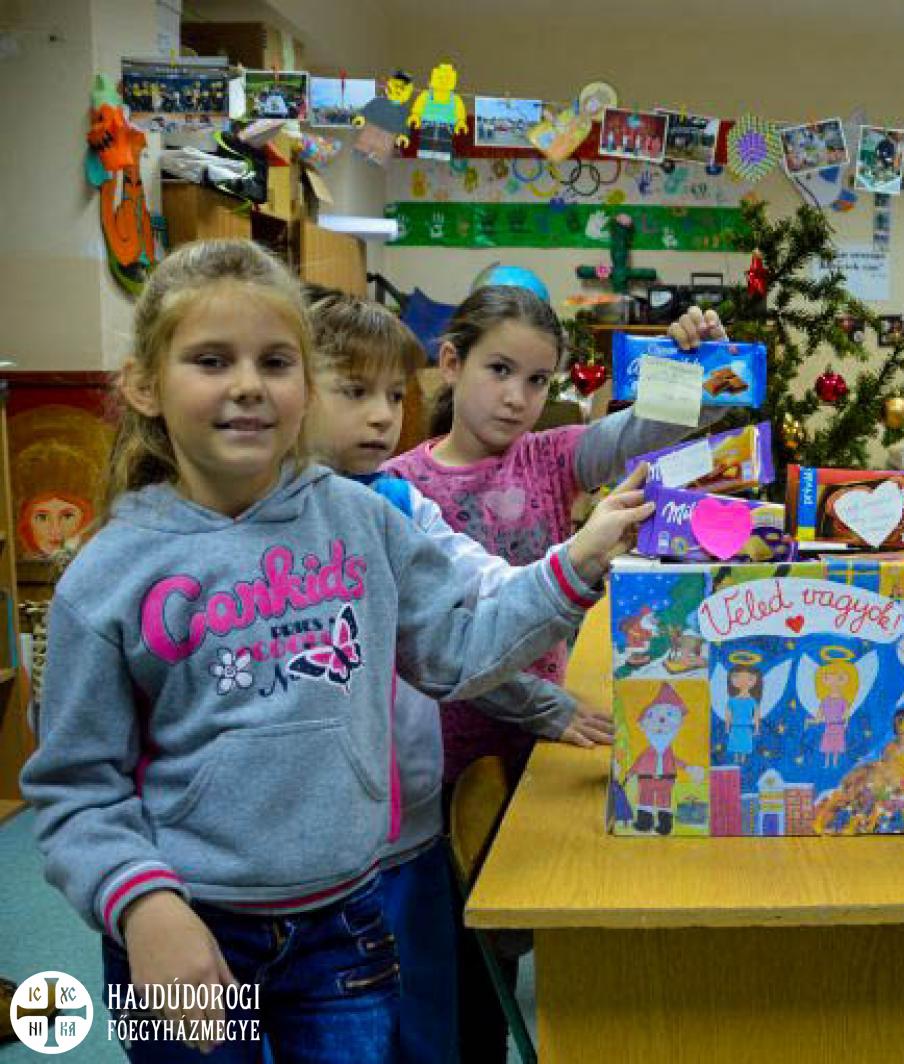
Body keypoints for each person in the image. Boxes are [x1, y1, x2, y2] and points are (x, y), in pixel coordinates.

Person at [21, 240, 652, 1062]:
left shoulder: (366, 522)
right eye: (211, 360)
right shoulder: (108, 575)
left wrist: (574, 567)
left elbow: (457, 653)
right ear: (144, 384)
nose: (249, 384)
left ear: (305, 383)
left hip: (346, 925)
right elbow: (75, 788)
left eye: (275, 362)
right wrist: (142, 907)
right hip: (184, 923)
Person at [384, 294, 724, 1063]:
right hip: (449, 759)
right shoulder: (402, 489)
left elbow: (651, 431)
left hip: (536, 754)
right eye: (499, 370)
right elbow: (440, 646)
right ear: (451, 363)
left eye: (537, 380)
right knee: (463, 968)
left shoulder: (550, 455)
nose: (517, 396)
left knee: (525, 934)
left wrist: (699, 366)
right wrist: (543, 706)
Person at [302, 290, 614, 1062]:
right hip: (300, 853)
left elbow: (473, 599)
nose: (382, 416)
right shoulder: (276, 518)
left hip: (405, 828)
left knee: (429, 1023)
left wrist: (575, 564)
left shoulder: (395, 501)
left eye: (393, 395)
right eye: (355, 391)